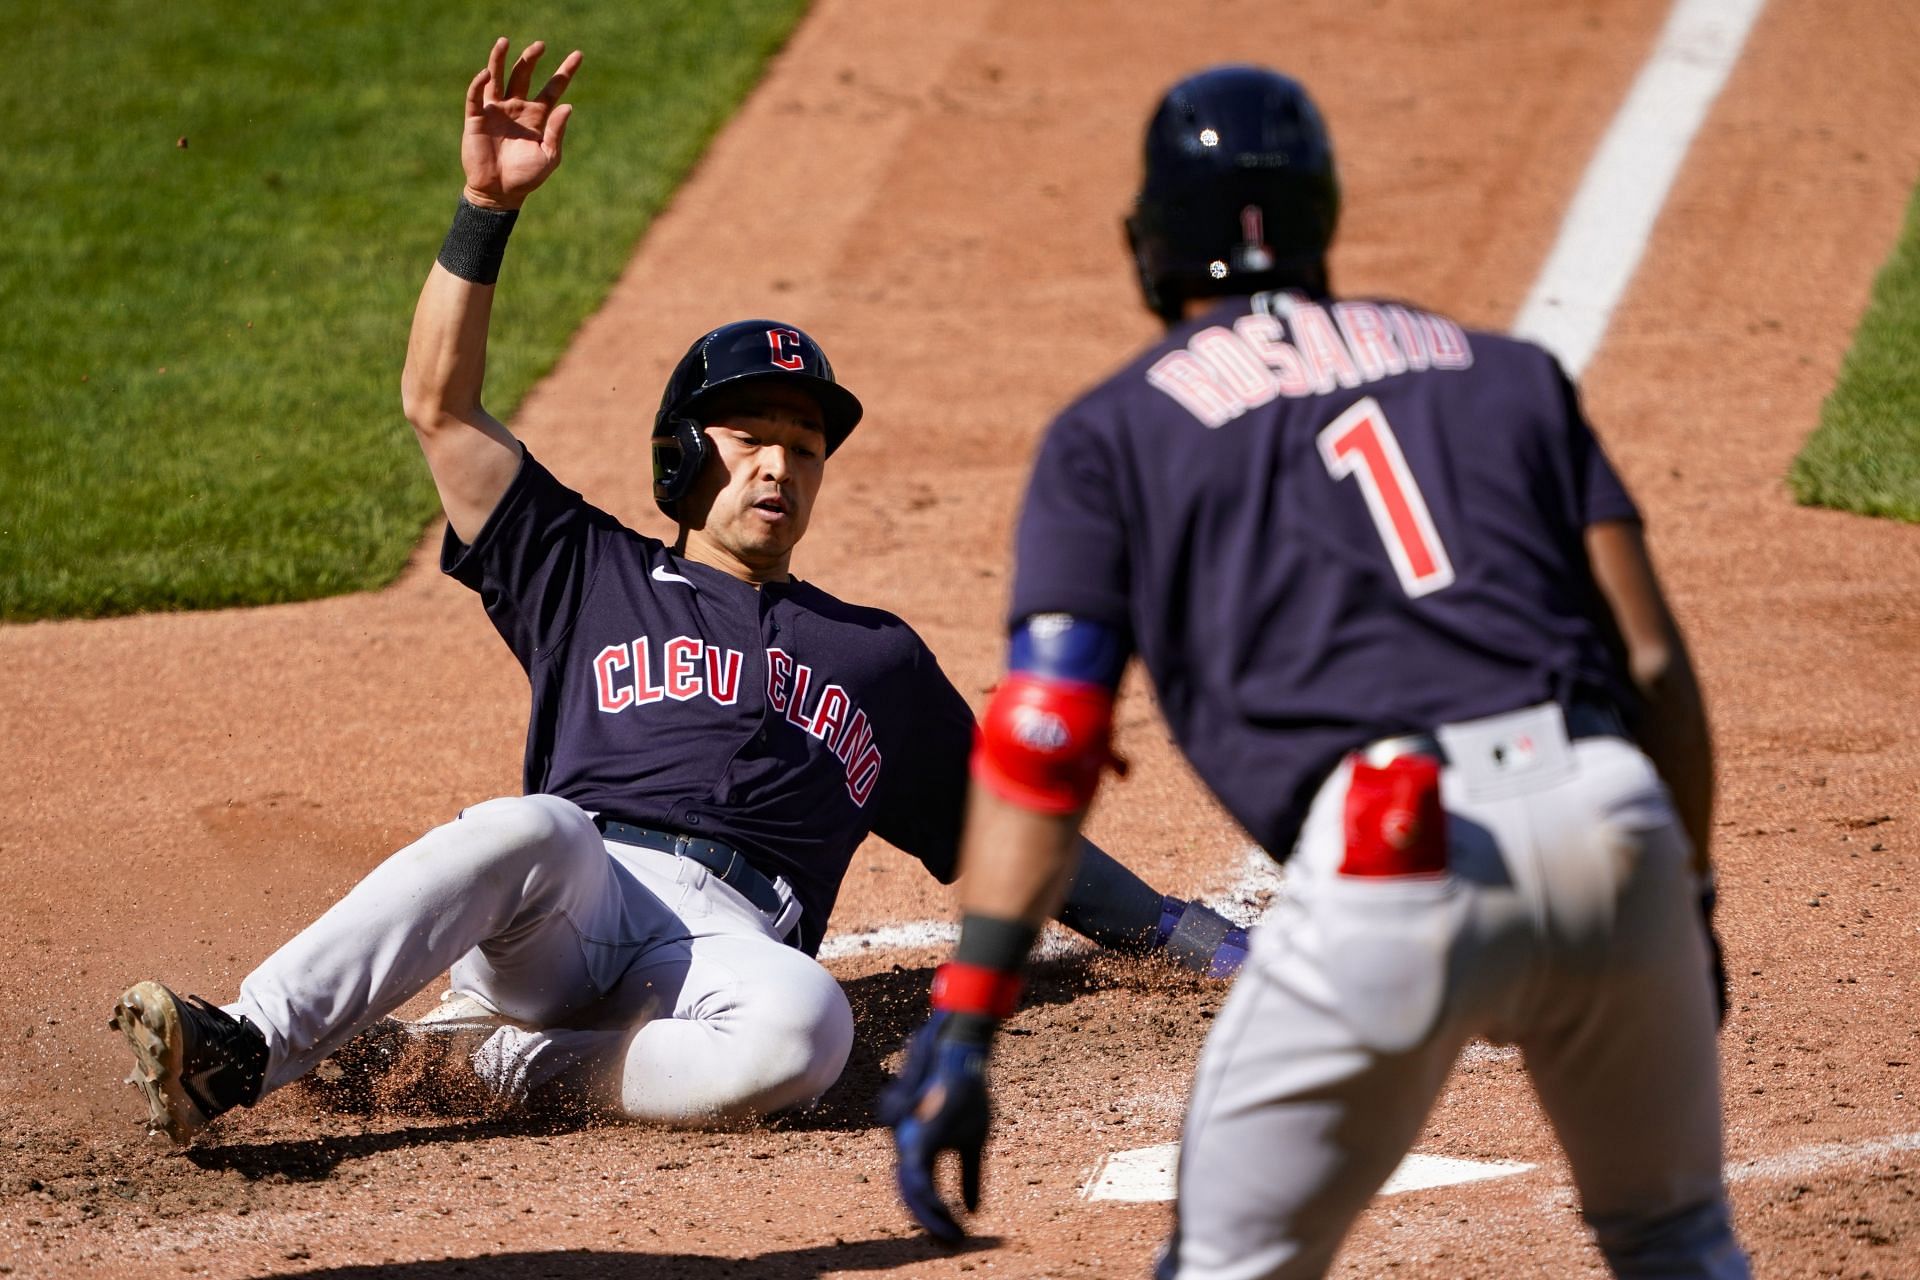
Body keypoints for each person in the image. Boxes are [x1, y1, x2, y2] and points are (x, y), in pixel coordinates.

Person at [109, 39, 1248, 1147]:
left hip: (725, 951)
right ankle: (247, 1039)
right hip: (574, 896)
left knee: (811, 1027)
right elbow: (440, 408)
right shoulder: (585, 567)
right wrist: (484, 209)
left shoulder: (877, 657)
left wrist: (1189, 937)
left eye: (805, 447)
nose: (781, 465)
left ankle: (470, 1065)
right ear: (681, 459)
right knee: (526, 825)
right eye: (753, 435)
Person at [885, 64, 1748, 1278]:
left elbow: (1045, 735)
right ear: (1322, 215)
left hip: (1398, 852)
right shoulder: (1507, 371)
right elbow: (1653, 660)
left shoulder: (1113, 431)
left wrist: (969, 1012)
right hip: (1612, 816)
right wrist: (1686, 898)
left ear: (1152, 244)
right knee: (1674, 1233)